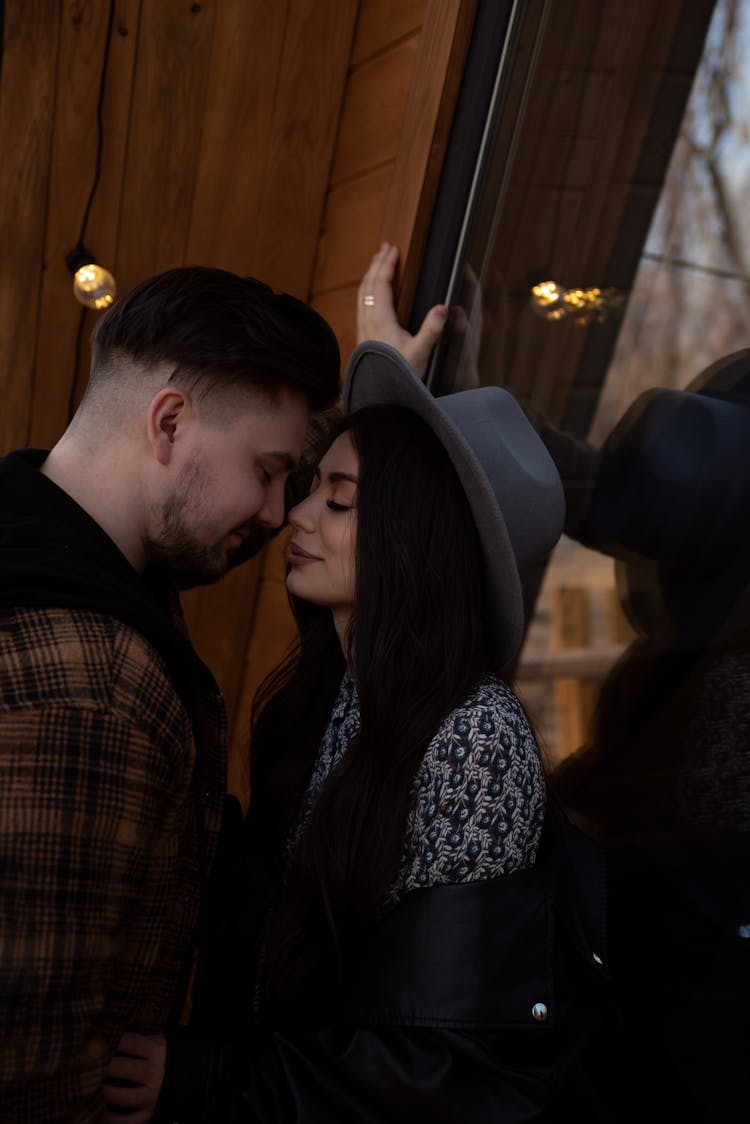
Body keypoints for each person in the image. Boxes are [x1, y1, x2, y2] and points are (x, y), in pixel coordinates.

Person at [108, 340, 619, 1123]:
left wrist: (206, 1080)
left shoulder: (473, 741)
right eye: (311, 486)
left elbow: (442, 1067)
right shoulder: (335, 691)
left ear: (420, 538)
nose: (293, 516)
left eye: (338, 500)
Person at [0, 264, 340, 1123]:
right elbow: (30, 1065)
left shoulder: (63, 572)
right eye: (269, 470)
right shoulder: (95, 683)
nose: (275, 512)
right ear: (171, 421)